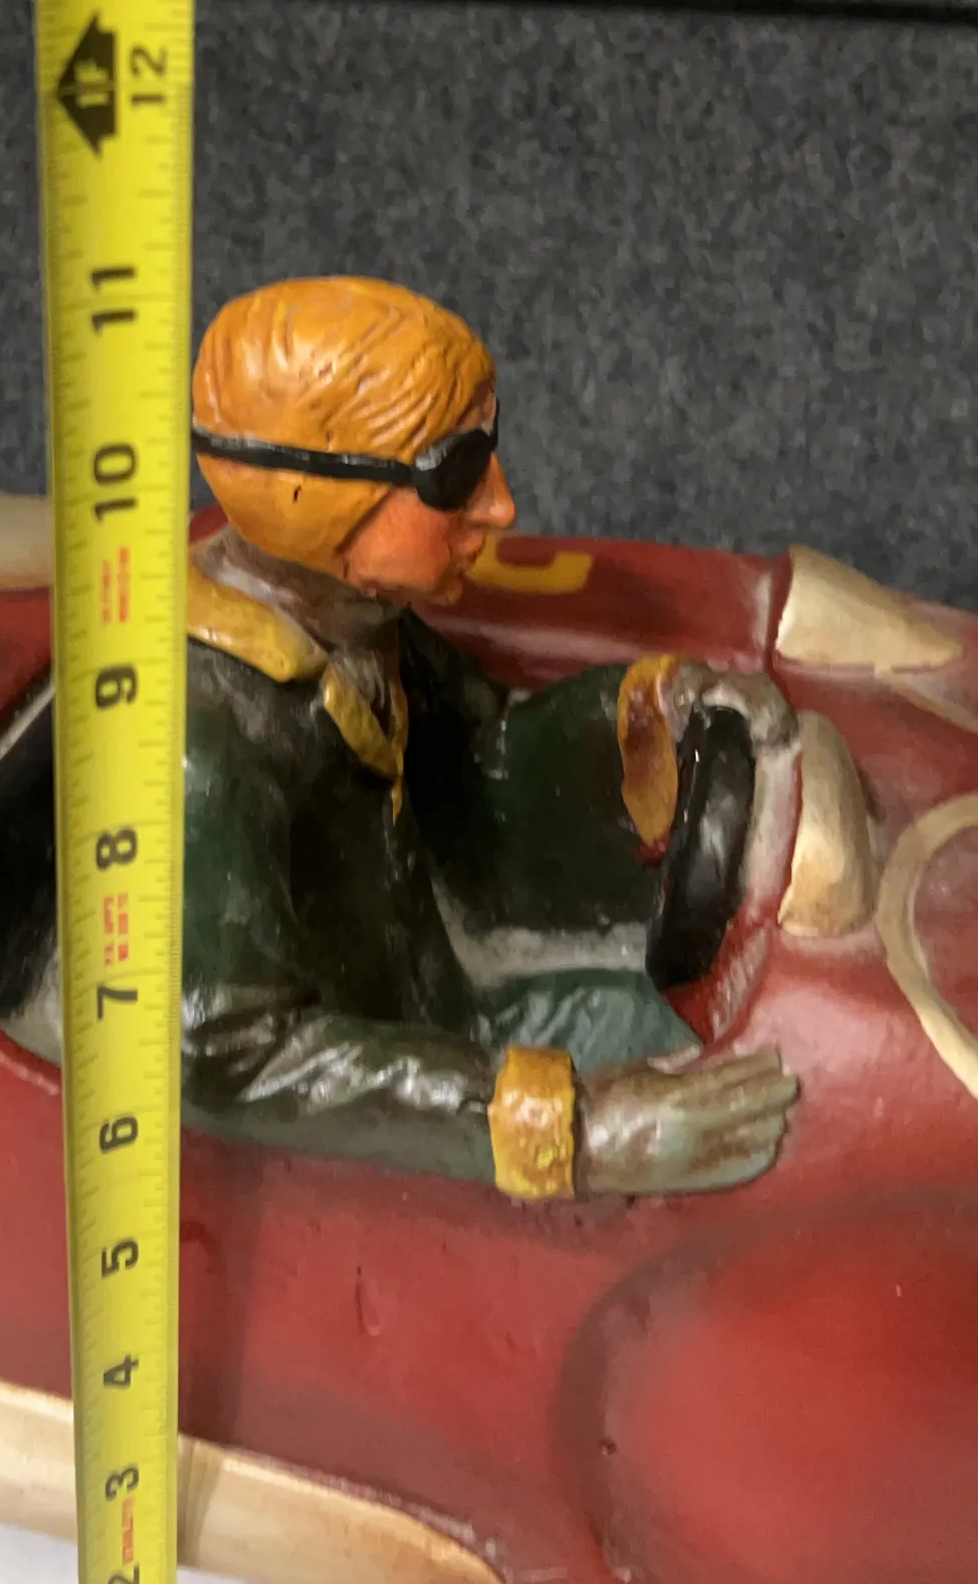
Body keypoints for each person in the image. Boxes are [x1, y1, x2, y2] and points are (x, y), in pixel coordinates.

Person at [183, 275, 797, 1204]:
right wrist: (571, 1131)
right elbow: (228, 1053)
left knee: (713, 1042)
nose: (500, 505)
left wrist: (652, 717)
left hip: (446, 1011)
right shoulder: (202, 746)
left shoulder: (355, 624)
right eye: (454, 473)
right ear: (314, 496)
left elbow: (486, 757)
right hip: (370, 1128)